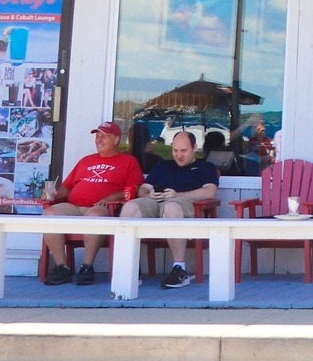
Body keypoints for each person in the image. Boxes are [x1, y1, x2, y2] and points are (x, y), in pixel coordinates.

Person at [41, 121, 143, 285]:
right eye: (97, 136)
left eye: (104, 136)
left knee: (95, 216)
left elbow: (133, 189)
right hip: (74, 206)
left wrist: (110, 199)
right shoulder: (85, 161)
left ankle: (87, 267)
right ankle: (62, 267)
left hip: (100, 208)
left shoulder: (128, 161)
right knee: (50, 214)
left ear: (116, 139)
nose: (99, 140)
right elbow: (67, 187)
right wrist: (53, 194)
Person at [119, 130, 220, 288]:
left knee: (172, 207)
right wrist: (149, 195)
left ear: (194, 147)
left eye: (183, 151)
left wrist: (177, 194)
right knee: (130, 207)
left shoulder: (205, 167)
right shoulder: (162, 166)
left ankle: (179, 270)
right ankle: (129, 267)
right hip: (156, 203)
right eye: (175, 150)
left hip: (184, 204)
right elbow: (143, 189)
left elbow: (209, 191)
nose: (178, 155)